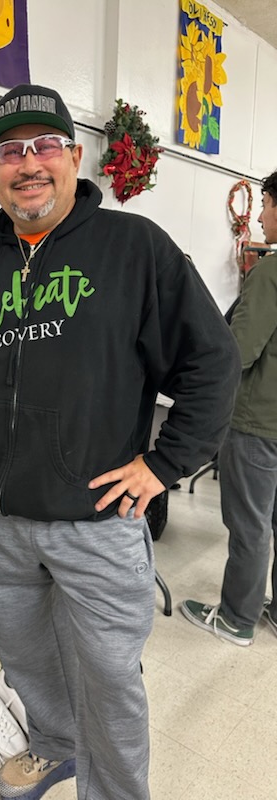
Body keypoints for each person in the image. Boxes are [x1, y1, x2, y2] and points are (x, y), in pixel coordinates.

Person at [0, 84, 240, 800]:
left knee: (110, 679)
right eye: (10, 151)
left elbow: (213, 362)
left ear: (74, 156)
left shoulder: (134, 249)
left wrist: (164, 463)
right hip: (0, 522)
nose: (28, 164)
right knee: (27, 660)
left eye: (44, 146)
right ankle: (57, 747)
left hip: (97, 522)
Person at [182, 170, 277, 648]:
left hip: (258, 422)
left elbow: (238, 351)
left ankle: (238, 617)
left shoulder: (271, 273)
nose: (259, 216)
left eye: (266, 204)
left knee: (249, 526)